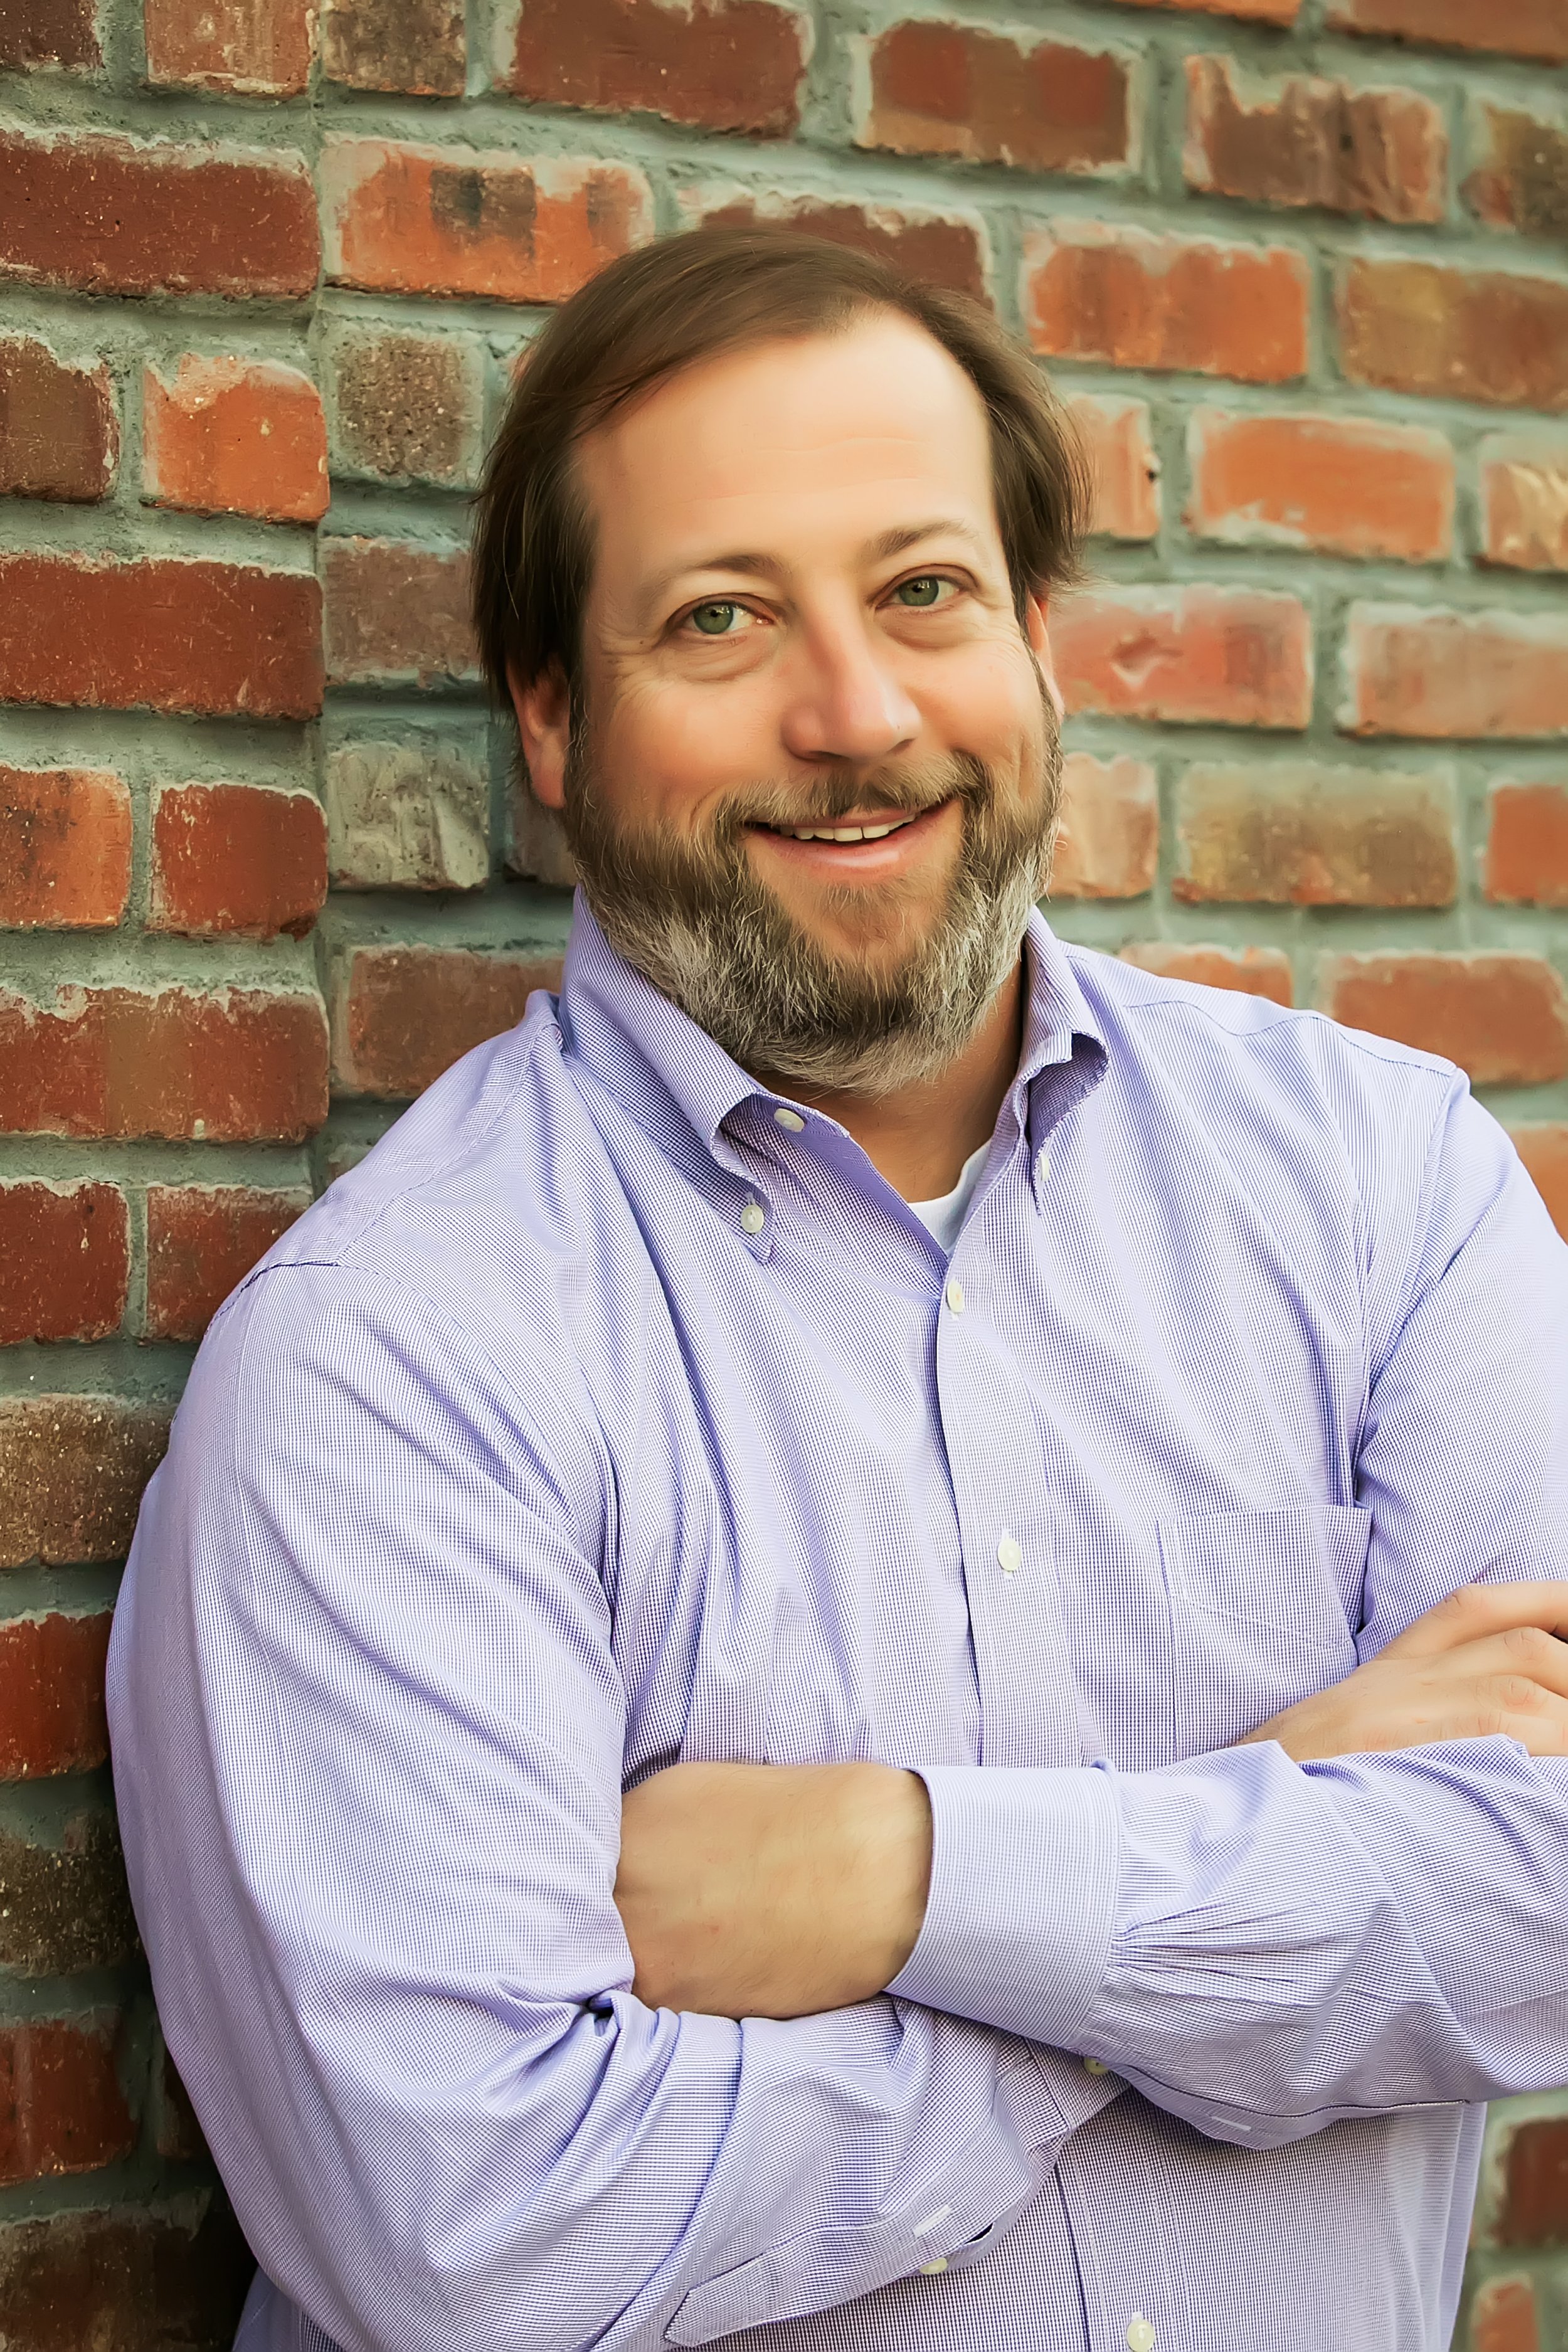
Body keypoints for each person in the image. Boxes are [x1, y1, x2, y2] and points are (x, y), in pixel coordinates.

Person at [107, 228, 1568, 2352]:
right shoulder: (390, 1366)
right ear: (548, 715)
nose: (859, 716)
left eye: (921, 592)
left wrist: (897, 1881)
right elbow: (484, 2246)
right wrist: (1242, 1866)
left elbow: (1537, 1914)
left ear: (1037, 638)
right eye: (719, 619)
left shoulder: (1379, 1182)